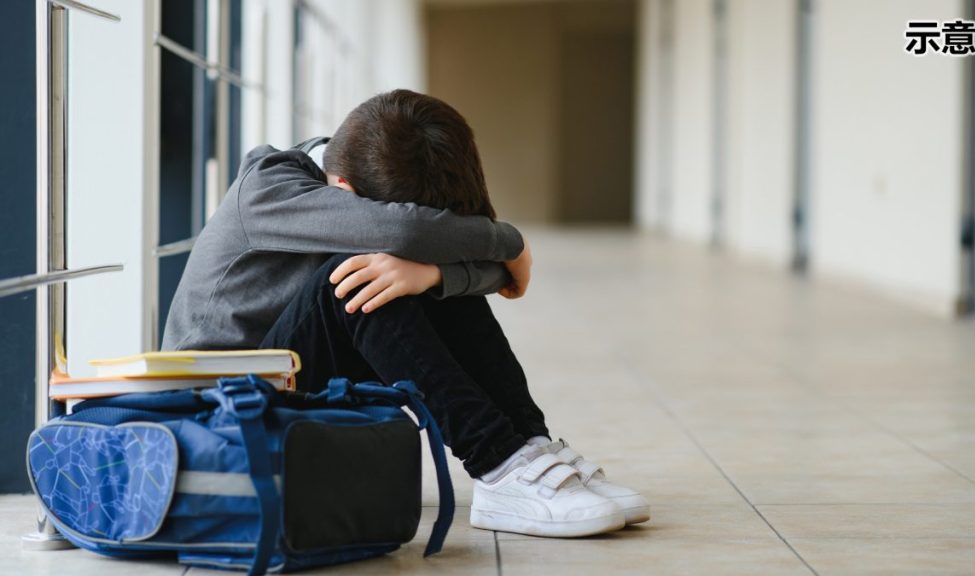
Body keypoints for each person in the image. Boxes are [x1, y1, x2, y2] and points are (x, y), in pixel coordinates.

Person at [163, 89, 649, 538]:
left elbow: (473, 267)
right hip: (222, 410)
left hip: (289, 380)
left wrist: (433, 274)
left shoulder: (359, 179)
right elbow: (409, 234)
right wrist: (509, 241)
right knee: (353, 280)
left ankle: (528, 447)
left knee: (405, 278)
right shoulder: (269, 189)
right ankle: (497, 463)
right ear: (344, 188)